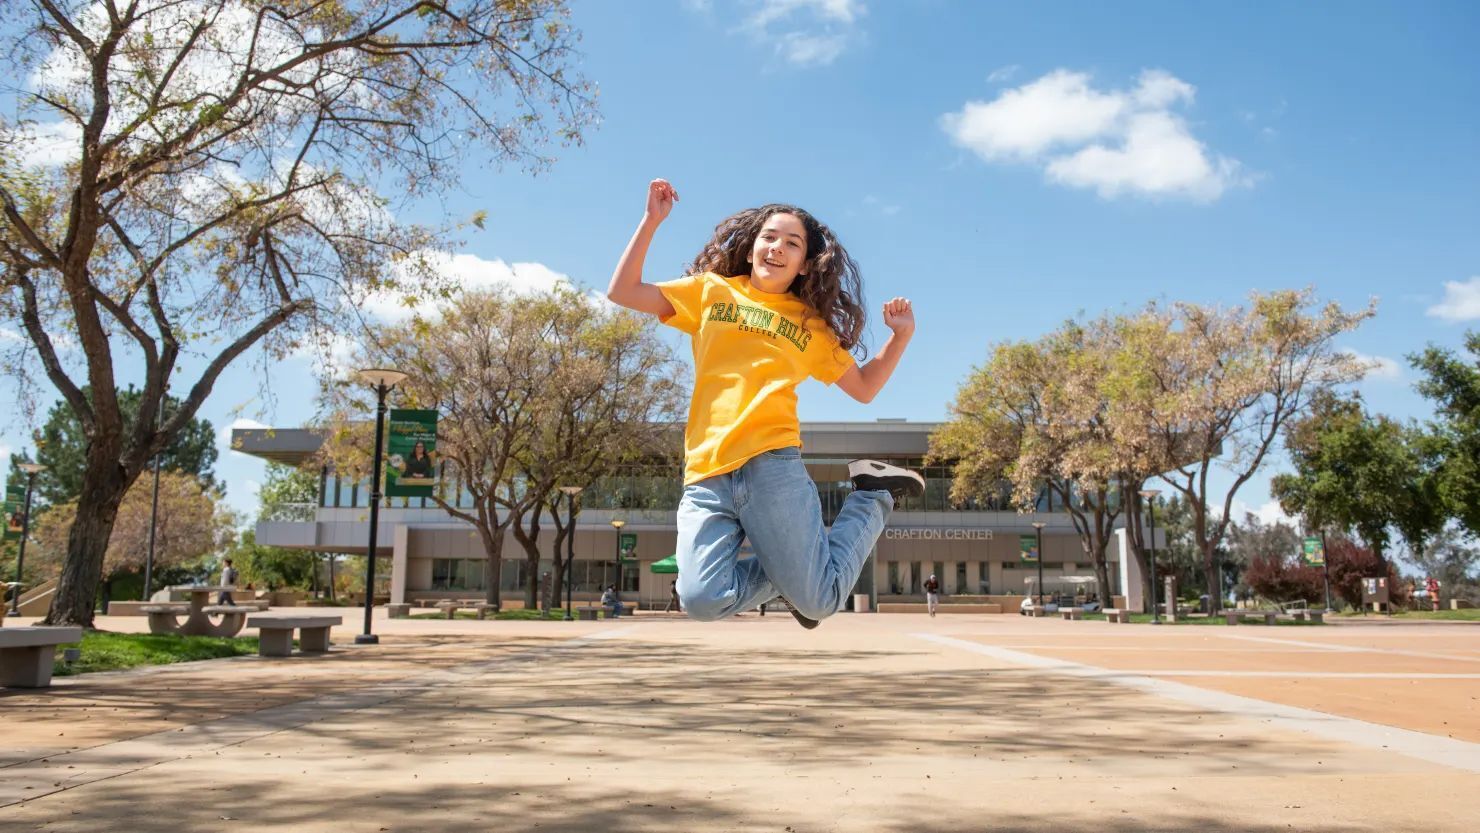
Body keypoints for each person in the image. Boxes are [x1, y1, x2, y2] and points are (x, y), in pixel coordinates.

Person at [607, 179, 924, 630]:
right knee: (699, 598)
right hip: (707, 471)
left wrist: (901, 336)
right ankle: (793, 578)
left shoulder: (808, 324)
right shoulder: (711, 292)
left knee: (819, 603)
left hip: (772, 465)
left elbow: (864, 388)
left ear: (803, 264)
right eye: (769, 237)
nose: (777, 247)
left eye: (792, 243)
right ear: (752, 245)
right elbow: (623, 291)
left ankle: (873, 496)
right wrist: (651, 221)